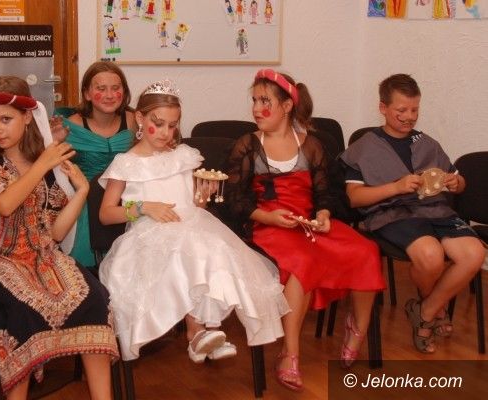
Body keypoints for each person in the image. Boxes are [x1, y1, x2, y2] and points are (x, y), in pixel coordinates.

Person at [98, 79, 289, 363]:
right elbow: (106, 213)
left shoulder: (183, 156)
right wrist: (144, 207)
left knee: (215, 250)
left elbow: (193, 204)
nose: (166, 132)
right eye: (158, 124)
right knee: (184, 252)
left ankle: (208, 331)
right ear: (139, 118)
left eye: (172, 125)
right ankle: (196, 332)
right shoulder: (126, 163)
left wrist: (203, 195)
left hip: (191, 227)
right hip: (149, 238)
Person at [225, 69, 385, 391]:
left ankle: (357, 328)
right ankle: (290, 353)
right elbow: (235, 201)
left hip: (307, 224)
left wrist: (324, 213)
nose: (257, 108)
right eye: (254, 100)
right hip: (267, 226)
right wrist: (269, 217)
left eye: (265, 101)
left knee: (366, 250)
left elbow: (327, 194)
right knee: (302, 261)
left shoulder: (311, 145)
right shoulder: (247, 146)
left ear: (286, 106)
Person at [0, 76, 118, 399]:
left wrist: (82, 191)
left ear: (27, 117)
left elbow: (56, 232)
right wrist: (43, 163)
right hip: (1, 259)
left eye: (6, 119)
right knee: (25, 312)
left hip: (44, 255)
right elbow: (4, 205)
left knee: (95, 299)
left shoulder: (41, 161)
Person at [341, 73, 484, 354]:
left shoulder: (427, 142)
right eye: (401, 110)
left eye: (415, 110)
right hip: (393, 213)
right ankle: (435, 310)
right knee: (430, 256)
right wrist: (396, 187)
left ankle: (426, 311)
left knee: (475, 253)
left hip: (436, 211)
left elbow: (458, 179)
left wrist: (457, 183)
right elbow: (355, 198)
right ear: (383, 108)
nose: (409, 117)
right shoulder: (364, 148)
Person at [55, 61, 137, 267]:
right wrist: (54, 142)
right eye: (101, 88)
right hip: (85, 198)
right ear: (87, 94)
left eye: (115, 88)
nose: (109, 95)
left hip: (129, 194)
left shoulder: (136, 121)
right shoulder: (69, 126)